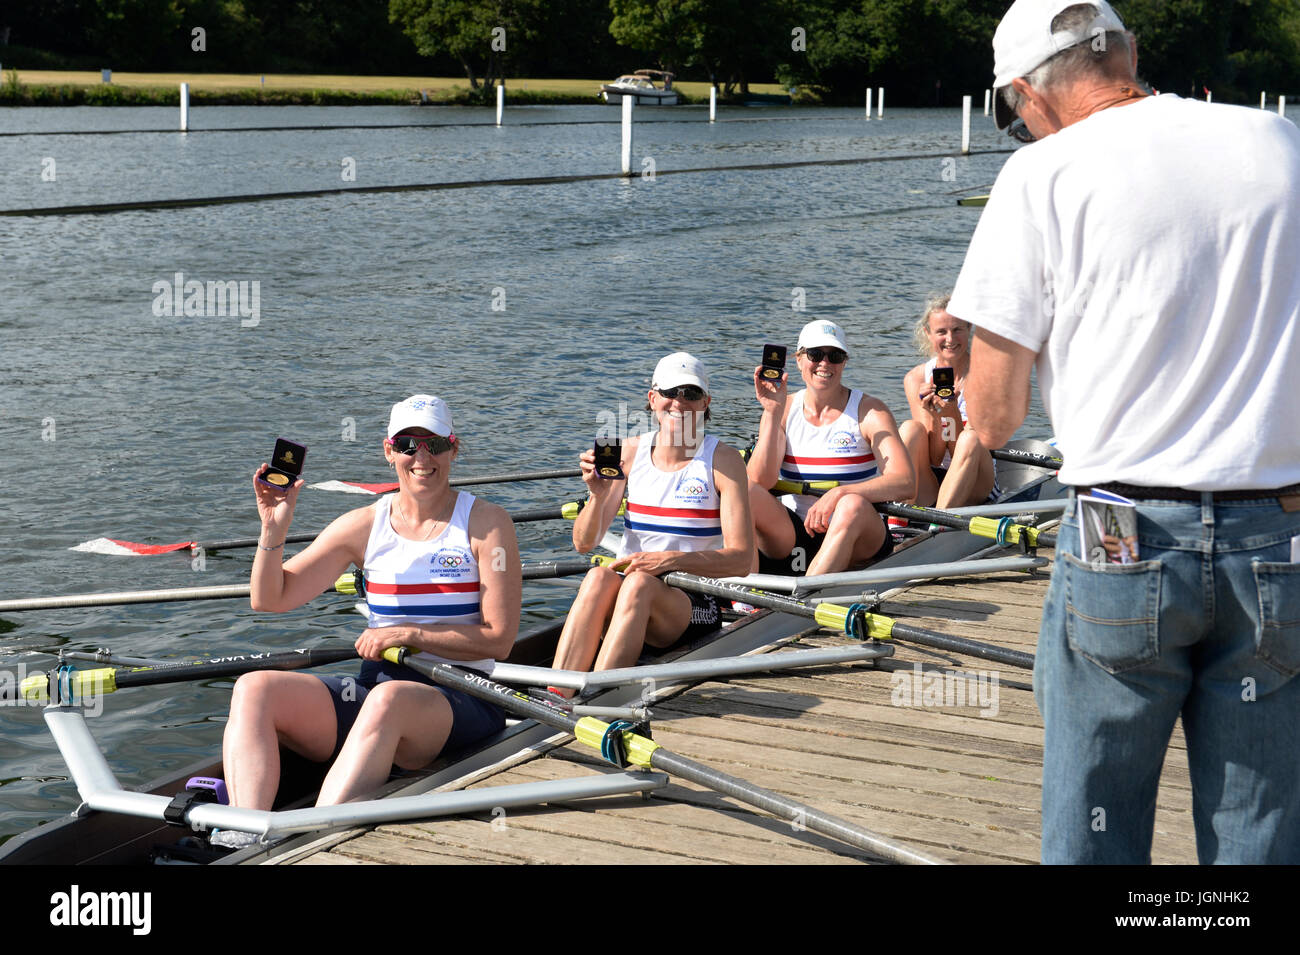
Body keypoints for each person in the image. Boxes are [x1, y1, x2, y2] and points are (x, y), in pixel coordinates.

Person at [952, 0, 1300, 864]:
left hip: (1123, 539)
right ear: (1129, 52)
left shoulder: (1041, 178)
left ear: (1025, 95)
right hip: (1278, 538)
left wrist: (960, 372)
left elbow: (994, 418)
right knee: (1261, 828)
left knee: (1095, 821)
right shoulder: (1280, 143)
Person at [219, 395, 521, 837]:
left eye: (434, 444)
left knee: (388, 699)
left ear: (454, 448)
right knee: (254, 687)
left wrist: (409, 633)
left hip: (465, 697)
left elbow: (498, 639)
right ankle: (245, 832)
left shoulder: (488, 524)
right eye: (407, 445)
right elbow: (271, 599)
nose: (422, 457)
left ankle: (308, 840)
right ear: (388, 451)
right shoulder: (363, 525)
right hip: (377, 690)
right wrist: (273, 530)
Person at [549, 353, 753, 689]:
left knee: (639, 584)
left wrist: (669, 561)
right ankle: (558, 692)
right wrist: (598, 496)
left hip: (694, 603)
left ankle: (598, 695)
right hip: (632, 591)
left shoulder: (724, 460)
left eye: (691, 394)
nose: (679, 402)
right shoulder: (623, 452)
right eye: (670, 393)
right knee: (599, 576)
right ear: (652, 399)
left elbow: (742, 559)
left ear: (705, 403)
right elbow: (583, 543)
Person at [746, 319, 914, 577]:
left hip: (857, 533)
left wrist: (839, 494)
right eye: (815, 354)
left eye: (834, 356)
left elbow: (905, 483)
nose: (825, 363)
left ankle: (803, 601)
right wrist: (771, 412)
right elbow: (760, 482)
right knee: (743, 491)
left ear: (844, 362)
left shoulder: (869, 411)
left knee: (850, 505)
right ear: (799, 359)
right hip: (797, 533)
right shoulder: (784, 408)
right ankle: (746, 593)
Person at [898, 294, 997, 508]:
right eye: (942, 332)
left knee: (970, 438)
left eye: (957, 330)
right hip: (935, 474)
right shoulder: (915, 378)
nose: (950, 339)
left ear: (969, 329)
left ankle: (938, 523)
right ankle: (899, 519)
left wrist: (950, 411)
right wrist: (935, 416)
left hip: (976, 477)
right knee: (910, 429)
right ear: (929, 334)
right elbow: (934, 457)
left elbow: (961, 450)